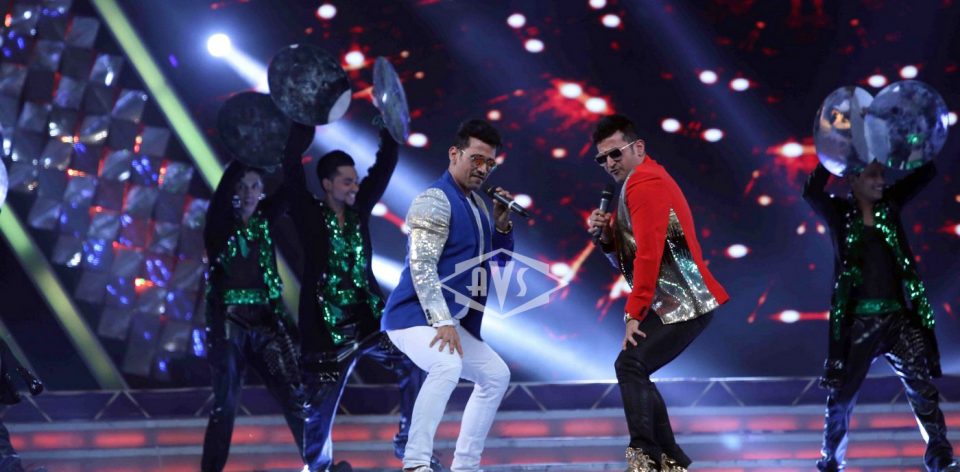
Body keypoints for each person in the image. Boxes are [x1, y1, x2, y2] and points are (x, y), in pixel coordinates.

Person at [282, 122, 435, 471]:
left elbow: (383, 169)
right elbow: (290, 170)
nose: (354, 186)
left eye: (355, 180)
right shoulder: (309, 215)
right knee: (318, 410)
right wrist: (304, 121)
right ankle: (320, 468)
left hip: (367, 323)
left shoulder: (358, 211)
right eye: (346, 181)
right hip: (326, 332)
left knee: (414, 359)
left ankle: (409, 443)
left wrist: (389, 128)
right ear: (327, 185)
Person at [586, 114, 728, 472]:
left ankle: (647, 457)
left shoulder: (644, 182)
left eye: (615, 153)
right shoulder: (639, 181)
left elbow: (649, 254)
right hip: (676, 301)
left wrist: (633, 313)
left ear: (638, 147)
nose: (609, 163)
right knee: (634, 366)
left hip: (685, 300)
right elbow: (637, 259)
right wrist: (608, 240)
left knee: (631, 364)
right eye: (602, 158)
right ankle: (667, 458)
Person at [804, 160, 958, 472]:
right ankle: (831, 463)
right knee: (841, 400)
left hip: (897, 320)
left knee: (923, 390)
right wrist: (833, 154)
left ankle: (940, 460)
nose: (881, 181)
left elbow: (925, 172)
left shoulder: (889, 206)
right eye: (872, 175)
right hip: (858, 325)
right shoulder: (839, 213)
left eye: (882, 175)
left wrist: (915, 146)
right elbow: (812, 191)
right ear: (853, 179)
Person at [381, 119, 516, 472]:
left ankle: (466, 465)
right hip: (412, 316)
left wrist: (502, 226)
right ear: (454, 154)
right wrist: (442, 321)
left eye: (490, 163)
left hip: (448, 319)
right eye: (476, 159)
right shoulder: (434, 200)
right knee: (447, 364)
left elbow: (497, 265)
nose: (483, 169)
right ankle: (415, 462)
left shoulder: (478, 206)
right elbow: (421, 266)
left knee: (496, 375)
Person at [201, 161, 306, 472]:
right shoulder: (219, 225)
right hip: (229, 321)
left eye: (255, 186)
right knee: (226, 403)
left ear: (262, 191)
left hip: (265, 320)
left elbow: (289, 189)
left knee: (294, 394)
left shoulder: (264, 220)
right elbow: (220, 197)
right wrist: (243, 156)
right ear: (233, 190)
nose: (248, 193)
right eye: (242, 186)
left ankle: (319, 463)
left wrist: (291, 150)